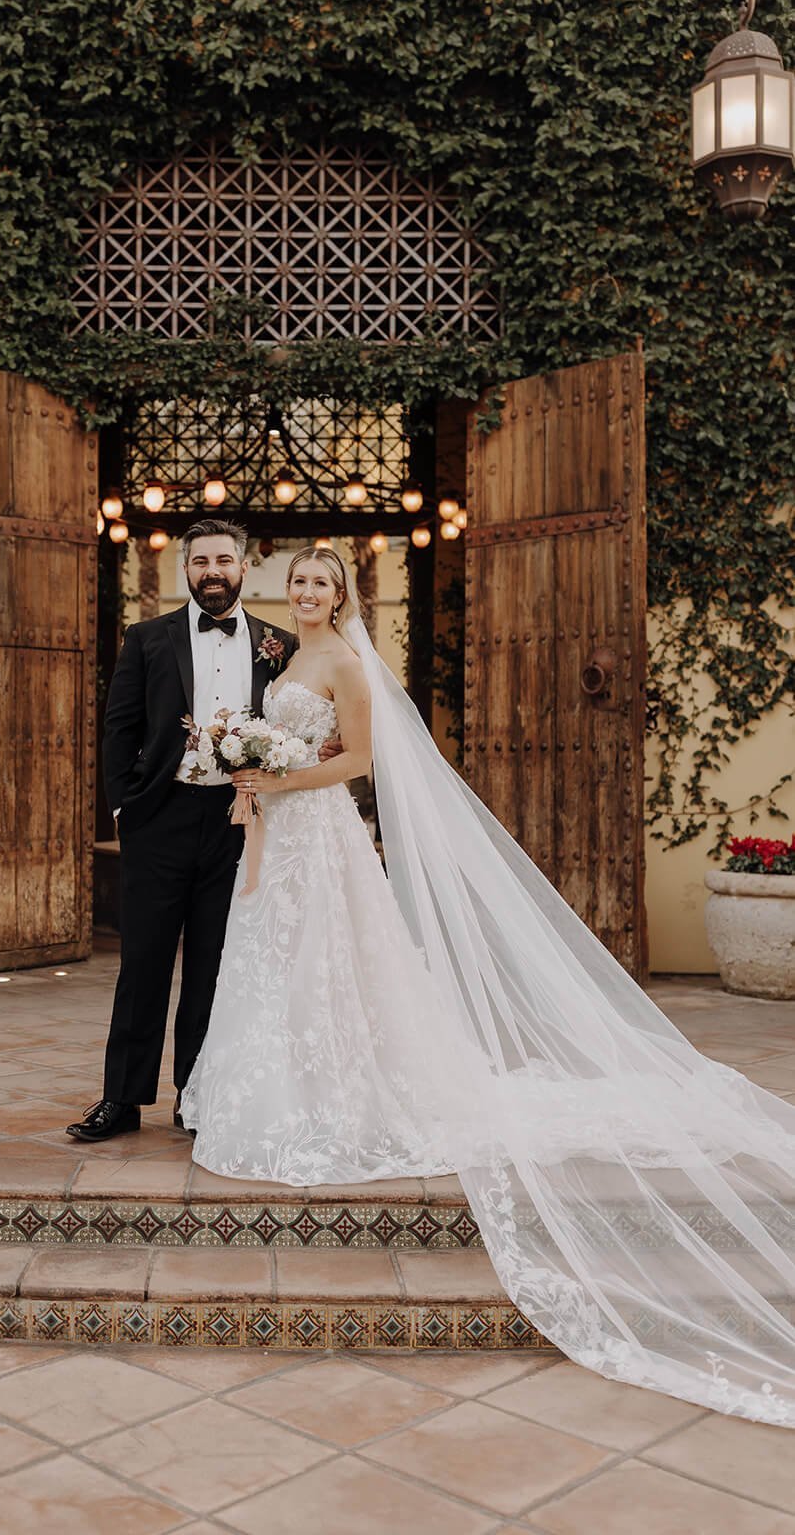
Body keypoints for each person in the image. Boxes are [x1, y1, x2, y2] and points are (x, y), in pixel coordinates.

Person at [182, 544, 795, 1428]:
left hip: (318, 832)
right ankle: (281, 1089)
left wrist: (276, 775)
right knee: (274, 964)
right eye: (301, 583)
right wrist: (251, 772)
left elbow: (357, 761)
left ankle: (344, 1093)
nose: (308, 593)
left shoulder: (346, 662)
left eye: (322, 583)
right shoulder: (287, 656)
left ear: (342, 596)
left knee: (331, 963)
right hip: (278, 835)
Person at [66, 519, 301, 1142]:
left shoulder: (278, 644)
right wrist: (126, 812)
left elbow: (296, 736)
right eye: (200, 562)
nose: (212, 571)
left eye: (224, 559)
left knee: (214, 967)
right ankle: (122, 1099)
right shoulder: (146, 638)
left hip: (237, 823)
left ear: (245, 568)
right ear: (185, 569)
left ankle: (196, 1099)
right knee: (141, 963)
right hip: (160, 819)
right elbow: (118, 729)